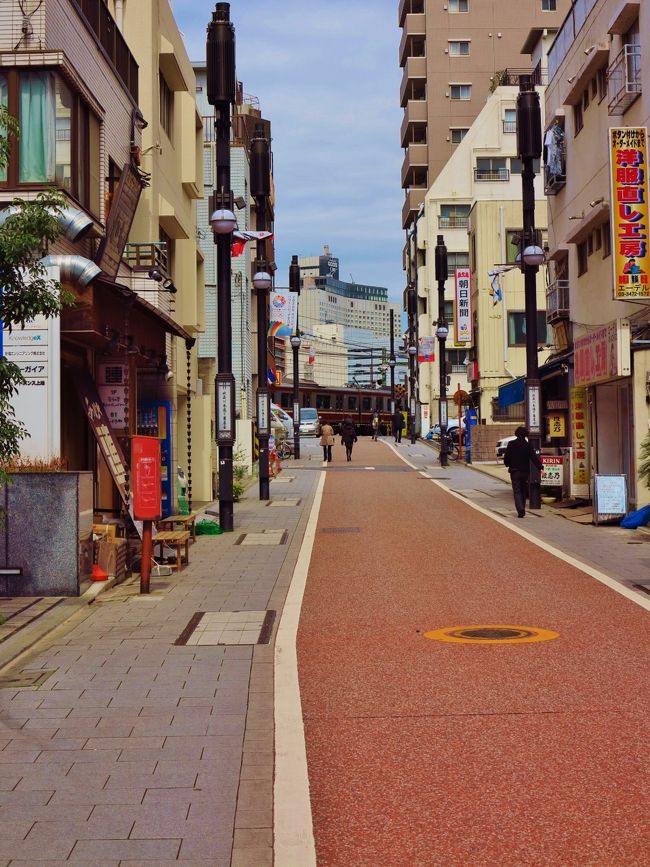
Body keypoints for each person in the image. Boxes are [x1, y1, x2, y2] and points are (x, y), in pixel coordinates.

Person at [503, 426, 543, 518]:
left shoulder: (511, 444)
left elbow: (507, 457)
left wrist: (507, 464)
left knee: (517, 491)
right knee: (523, 490)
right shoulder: (528, 445)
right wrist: (540, 467)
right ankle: (523, 508)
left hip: (514, 471)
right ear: (525, 434)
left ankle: (520, 510)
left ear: (516, 433)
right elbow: (534, 458)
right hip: (525, 472)